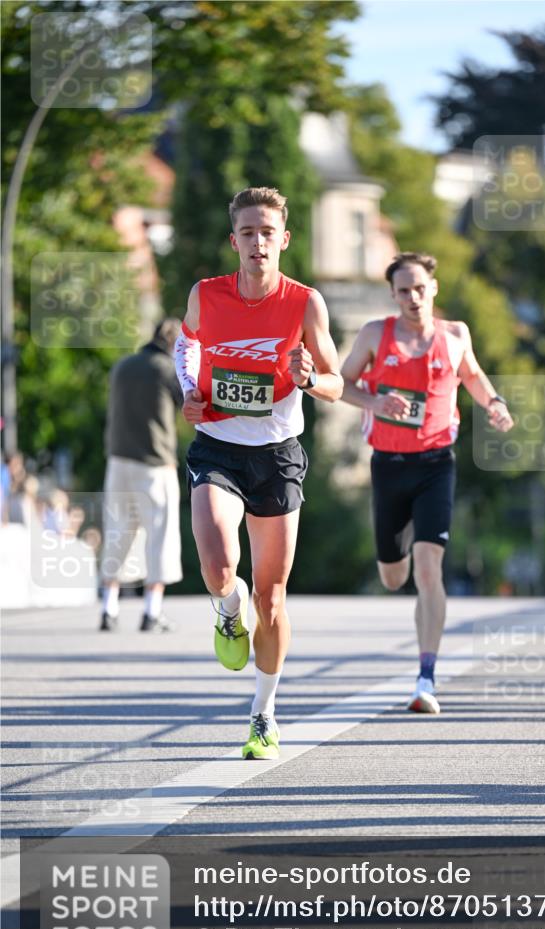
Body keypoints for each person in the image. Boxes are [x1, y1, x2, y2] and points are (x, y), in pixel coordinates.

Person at [174, 186, 342, 760]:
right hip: (217, 445)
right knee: (220, 566)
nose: (258, 242)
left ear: (284, 240)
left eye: (268, 232)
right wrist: (189, 394)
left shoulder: (305, 303)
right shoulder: (206, 294)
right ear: (235, 241)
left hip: (277, 454)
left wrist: (308, 378)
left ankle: (263, 716)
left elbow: (337, 382)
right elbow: (185, 344)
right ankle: (226, 609)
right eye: (248, 232)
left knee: (271, 599)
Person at [341, 251, 513, 715]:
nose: (413, 297)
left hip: (437, 463)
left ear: (433, 288)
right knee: (393, 575)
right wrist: (375, 403)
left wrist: (493, 403)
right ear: (393, 295)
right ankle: (397, 581)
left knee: (429, 570)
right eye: (403, 291)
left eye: (420, 288)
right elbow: (340, 384)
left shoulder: (455, 335)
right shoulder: (376, 335)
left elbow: (472, 375)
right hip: (389, 465)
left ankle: (425, 676)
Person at [100, 317, 184, 632]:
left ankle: (108, 608)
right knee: (160, 536)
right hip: (155, 463)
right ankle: (152, 611)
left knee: (117, 533)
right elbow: (189, 403)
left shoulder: (122, 366)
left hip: (118, 460)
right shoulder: (166, 369)